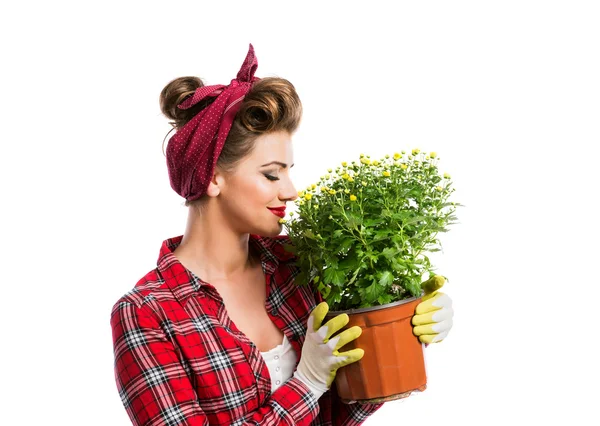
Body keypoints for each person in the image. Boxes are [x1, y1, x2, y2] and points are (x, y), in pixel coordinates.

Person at [110, 43, 454, 426]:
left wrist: (404, 323)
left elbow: (337, 411)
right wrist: (306, 383)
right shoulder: (147, 313)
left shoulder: (296, 261)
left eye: (289, 171)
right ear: (212, 178)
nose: (291, 190)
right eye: (272, 174)